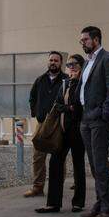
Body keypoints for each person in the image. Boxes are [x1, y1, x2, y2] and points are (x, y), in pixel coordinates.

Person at [78, 25, 109, 217]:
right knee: (95, 165)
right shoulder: (88, 62)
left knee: (101, 165)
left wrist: (104, 115)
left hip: (98, 120)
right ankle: (100, 203)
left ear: (96, 40)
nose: (82, 43)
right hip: (86, 119)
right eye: (81, 40)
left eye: (85, 40)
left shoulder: (108, 59)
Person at [37, 54, 87, 214]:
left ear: (81, 66)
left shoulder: (84, 83)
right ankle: (53, 203)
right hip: (63, 129)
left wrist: (68, 107)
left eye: (74, 64)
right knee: (55, 163)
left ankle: (78, 203)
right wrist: (68, 107)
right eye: (69, 65)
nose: (71, 67)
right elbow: (59, 103)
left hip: (78, 130)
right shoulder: (66, 83)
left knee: (78, 165)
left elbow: (79, 106)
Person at [26, 52, 67, 198]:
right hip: (42, 123)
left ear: (61, 63)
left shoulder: (65, 80)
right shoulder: (40, 80)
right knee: (38, 156)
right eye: (51, 60)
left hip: (58, 124)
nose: (53, 62)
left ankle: (57, 187)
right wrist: (36, 113)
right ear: (47, 62)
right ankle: (38, 187)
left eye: (56, 60)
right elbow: (32, 97)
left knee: (58, 156)